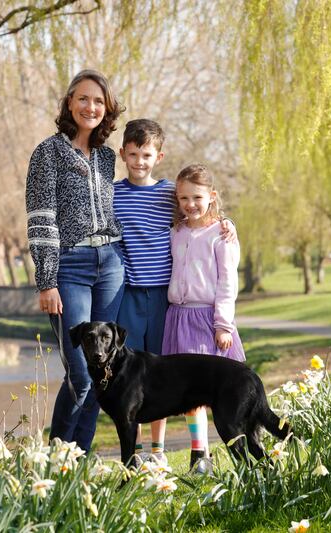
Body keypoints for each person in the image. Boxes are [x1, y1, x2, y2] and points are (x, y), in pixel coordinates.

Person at [113, 119, 236, 465]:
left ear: (159, 156)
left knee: (162, 377)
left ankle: (160, 452)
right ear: (123, 154)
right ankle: (134, 454)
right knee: (129, 376)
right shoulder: (114, 193)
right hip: (131, 293)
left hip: (165, 302)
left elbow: (199, 211)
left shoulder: (169, 193)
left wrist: (224, 220)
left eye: (147, 154)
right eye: (133, 154)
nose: (139, 161)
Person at [25, 69, 125, 452]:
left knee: (104, 372)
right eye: (83, 98)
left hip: (111, 266)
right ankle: (56, 456)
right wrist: (47, 280)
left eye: (99, 101)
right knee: (81, 373)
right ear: (69, 102)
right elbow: (41, 219)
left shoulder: (105, 157)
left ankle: (77, 461)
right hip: (70, 266)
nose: (91, 106)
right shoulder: (47, 153)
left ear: (107, 109)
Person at [160, 164, 244, 473]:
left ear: (212, 196)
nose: (190, 204)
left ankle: (242, 450)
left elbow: (227, 282)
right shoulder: (177, 230)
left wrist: (223, 324)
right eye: (183, 198)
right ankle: (200, 455)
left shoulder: (221, 234)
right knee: (187, 394)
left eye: (196, 197)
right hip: (178, 318)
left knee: (218, 391)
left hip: (207, 321)